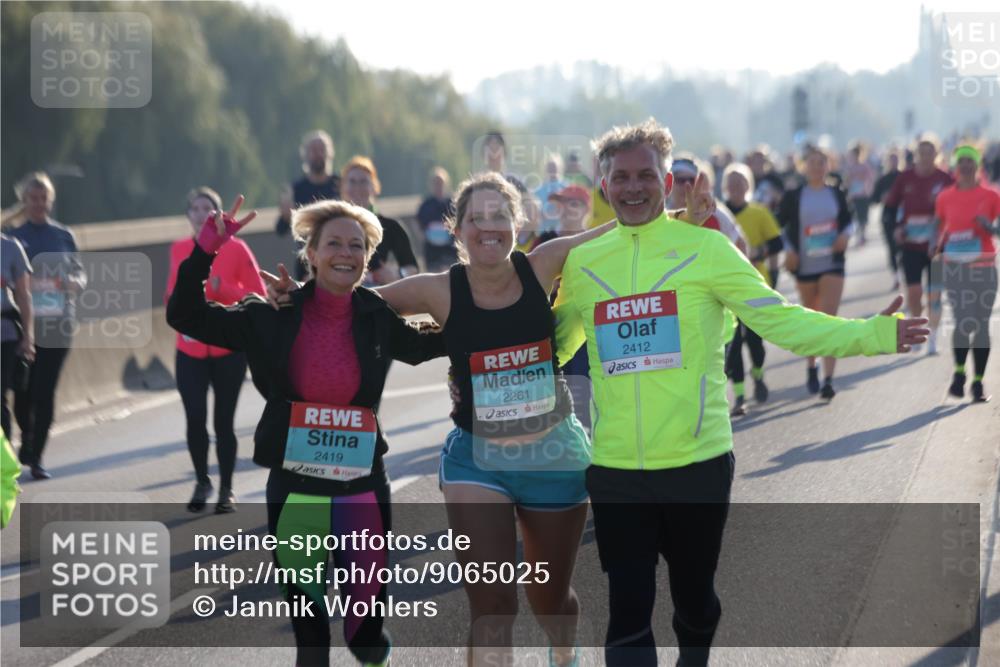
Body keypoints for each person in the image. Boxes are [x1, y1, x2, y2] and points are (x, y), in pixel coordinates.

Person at [264, 170, 717, 667]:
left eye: (499, 215)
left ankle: (563, 651)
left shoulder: (542, 264)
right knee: (493, 604)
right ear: (457, 231)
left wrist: (680, 216)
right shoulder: (437, 289)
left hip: (554, 455)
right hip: (477, 461)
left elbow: (615, 228)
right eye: (475, 218)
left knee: (550, 601)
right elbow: (343, 301)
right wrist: (290, 298)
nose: (488, 226)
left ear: (517, 223)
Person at [553, 119, 927, 667]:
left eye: (647, 175)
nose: (634, 187)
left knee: (695, 604)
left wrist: (873, 333)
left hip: (696, 463)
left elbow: (781, 321)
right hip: (614, 470)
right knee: (627, 614)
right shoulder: (584, 264)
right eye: (621, 177)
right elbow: (551, 347)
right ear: (603, 185)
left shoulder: (706, 250)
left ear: (669, 180)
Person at [168, 195, 446, 667]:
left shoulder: (375, 315)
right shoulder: (270, 313)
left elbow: (426, 346)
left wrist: (504, 314)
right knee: (312, 643)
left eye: (356, 246)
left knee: (364, 637)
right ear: (311, 254)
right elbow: (186, 316)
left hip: (361, 489)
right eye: (333, 243)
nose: (345, 253)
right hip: (297, 493)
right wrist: (205, 250)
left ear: (366, 256)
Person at [165, 187, 265, 513]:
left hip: (227, 349)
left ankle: (226, 489)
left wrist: (225, 291)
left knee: (224, 423)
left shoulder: (237, 249)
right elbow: (171, 297)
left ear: (220, 216)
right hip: (190, 350)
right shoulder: (179, 248)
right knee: (195, 419)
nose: (200, 214)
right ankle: (201, 480)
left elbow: (257, 295)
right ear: (187, 215)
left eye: (207, 209)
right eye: (194, 208)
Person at [8, 172, 87, 480]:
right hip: (21, 324)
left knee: (45, 390)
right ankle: (28, 438)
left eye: (44, 199)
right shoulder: (13, 236)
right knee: (22, 392)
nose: (39, 204)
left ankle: (37, 456)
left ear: (50, 201)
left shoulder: (63, 235)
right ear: (24, 201)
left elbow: (80, 275)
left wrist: (72, 283)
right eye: (33, 198)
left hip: (58, 323)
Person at [777, 146, 854, 399]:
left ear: (828, 165)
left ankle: (829, 379)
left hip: (832, 262)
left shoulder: (836, 193)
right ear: (803, 166)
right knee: (811, 317)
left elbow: (848, 220)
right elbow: (780, 227)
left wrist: (844, 235)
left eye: (821, 162)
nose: (817, 167)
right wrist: (789, 251)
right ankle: (812, 365)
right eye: (812, 162)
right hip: (805, 266)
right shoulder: (794, 195)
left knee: (829, 318)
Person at [932, 144, 999, 403]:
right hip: (956, 269)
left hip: (984, 268)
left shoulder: (991, 196)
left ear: (977, 165)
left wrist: (990, 228)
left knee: (981, 325)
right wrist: (934, 243)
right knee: (963, 321)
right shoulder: (944, 197)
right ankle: (959, 374)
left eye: (971, 161)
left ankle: (978, 383)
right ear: (955, 167)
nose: (966, 166)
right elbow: (938, 225)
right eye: (962, 162)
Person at [722, 162, 785, 414]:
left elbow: (778, 243)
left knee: (755, 342)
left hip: (756, 283)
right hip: (726, 289)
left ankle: (757, 374)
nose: (736, 187)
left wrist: (759, 252)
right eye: (732, 182)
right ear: (725, 186)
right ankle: (739, 397)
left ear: (749, 185)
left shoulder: (759, 212)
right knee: (733, 343)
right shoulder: (718, 213)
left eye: (741, 182)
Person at [884, 134, 954, 355]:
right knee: (914, 294)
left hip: (937, 247)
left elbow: (956, 208)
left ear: (937, 154)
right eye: (921, 152)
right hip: (911, 245)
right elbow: (890, 208)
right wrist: (895, 228)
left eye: (929, 152)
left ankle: (932, 337)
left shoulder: (945, 179)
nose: (925, 157)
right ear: (915, 155)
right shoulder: (905, 178)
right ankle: (917, 332)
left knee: (935, 295)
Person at [341, 156, 419, 285]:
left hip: (376, 295)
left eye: (363, 182)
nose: (357, 187)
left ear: (374, 187)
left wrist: (396, 274)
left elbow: (412, 268)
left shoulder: (390, 226)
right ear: (343, 187)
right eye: (352, 182)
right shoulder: (330, 226)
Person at [276, 130, 342, 280]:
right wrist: (287, 216)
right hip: (306, 265)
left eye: (321, 149)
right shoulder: (295, 190)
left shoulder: (341, 185)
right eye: (313, 150)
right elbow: (280, 230)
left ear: (330, 152)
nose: (318, 154)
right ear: (304, 154)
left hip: (339, 260)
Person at [1, 234, 33, 440]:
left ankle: (4, 463)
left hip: (5, 333)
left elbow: (23, 295)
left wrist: (28, 337)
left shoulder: (11, 248)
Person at [873, 148, 903, 289]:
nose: (893, 163)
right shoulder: (883, 180)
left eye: (896, 160)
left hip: (904, 217)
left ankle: (905, 273)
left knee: (904, 248)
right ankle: (896, 276)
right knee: (891, 248)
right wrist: (882, 198)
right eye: (891, 160)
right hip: (888, 216)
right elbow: (873, 199)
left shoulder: (904, 177)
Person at [417, 167, 457, 271]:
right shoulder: (425, 205)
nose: (439, 186)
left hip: (450, 252)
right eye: (436, 183)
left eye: (441, 183)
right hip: (432, 252)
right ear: (431, 185)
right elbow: (419, 225)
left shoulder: (453, 204)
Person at [843, 140, 876, 246]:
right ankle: (859, 235)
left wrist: (868, 190)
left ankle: (863, 234)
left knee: (863, 216)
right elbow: (847, 182)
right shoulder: (850, 167)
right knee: (856, 216)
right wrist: (847, 192)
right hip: (854, 196)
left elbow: (870, 179)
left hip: (863, 195)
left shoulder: (864, 166)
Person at [535, 155, 567, 234]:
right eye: (550, 167)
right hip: (544, 232)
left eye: (554, 167)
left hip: (562, 232)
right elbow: (536, 213)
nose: (552, 170)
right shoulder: (539, 190)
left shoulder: (567, 187)